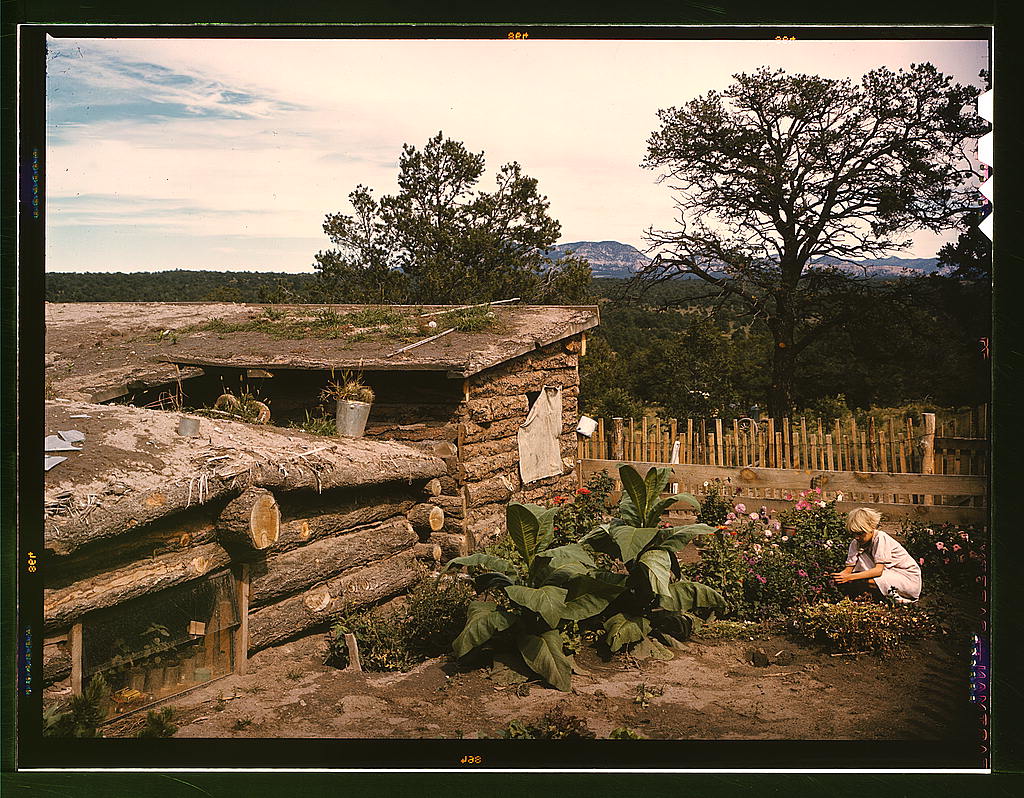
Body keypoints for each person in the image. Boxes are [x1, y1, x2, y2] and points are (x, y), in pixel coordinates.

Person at [831, 508, 922, 603]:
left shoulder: (880, 538)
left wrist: (849, 578)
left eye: (860, 533)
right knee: (859, 569)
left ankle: (893, 599)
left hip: (906, 577)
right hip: (888, 572)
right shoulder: (855, 543)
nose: (857, 537)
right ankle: (876, 597)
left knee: (867, 582)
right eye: (854, 534)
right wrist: (837, 577)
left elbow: (878, 571)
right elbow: (848, 570)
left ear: (871, 527)